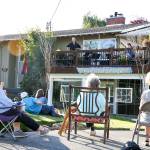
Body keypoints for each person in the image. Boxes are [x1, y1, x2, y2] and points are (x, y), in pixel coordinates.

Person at [139, 72, 150, 146]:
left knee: (147, 116)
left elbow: (140, 107)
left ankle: (147, 140)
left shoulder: (145, 93)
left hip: (145, 118)